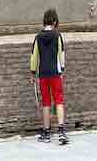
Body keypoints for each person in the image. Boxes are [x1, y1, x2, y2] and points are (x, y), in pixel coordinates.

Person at [29, 8, 68, 145]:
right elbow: (61, 54)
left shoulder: (38, 37)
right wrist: (62, 70)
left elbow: (34, 56)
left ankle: (46, 132)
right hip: (55, 73)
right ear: (55, 21)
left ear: (44, 21)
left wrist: (33, 73)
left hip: (43, 74)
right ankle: (61, 132)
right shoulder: (58, 36)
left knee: (46, 103)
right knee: (59, 101)